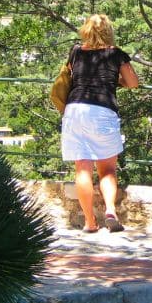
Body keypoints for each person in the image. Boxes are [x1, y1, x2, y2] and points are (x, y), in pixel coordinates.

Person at [60, 14, 139, 233]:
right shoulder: (115, 54)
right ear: (108, 32)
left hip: (74, 110)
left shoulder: (75, 52)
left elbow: (69, 75)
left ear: (85, 30)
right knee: (107, 169)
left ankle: (89, 222)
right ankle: (111, 212)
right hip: (102, 110)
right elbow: (133, 83)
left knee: (82, 169)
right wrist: (116, 80)